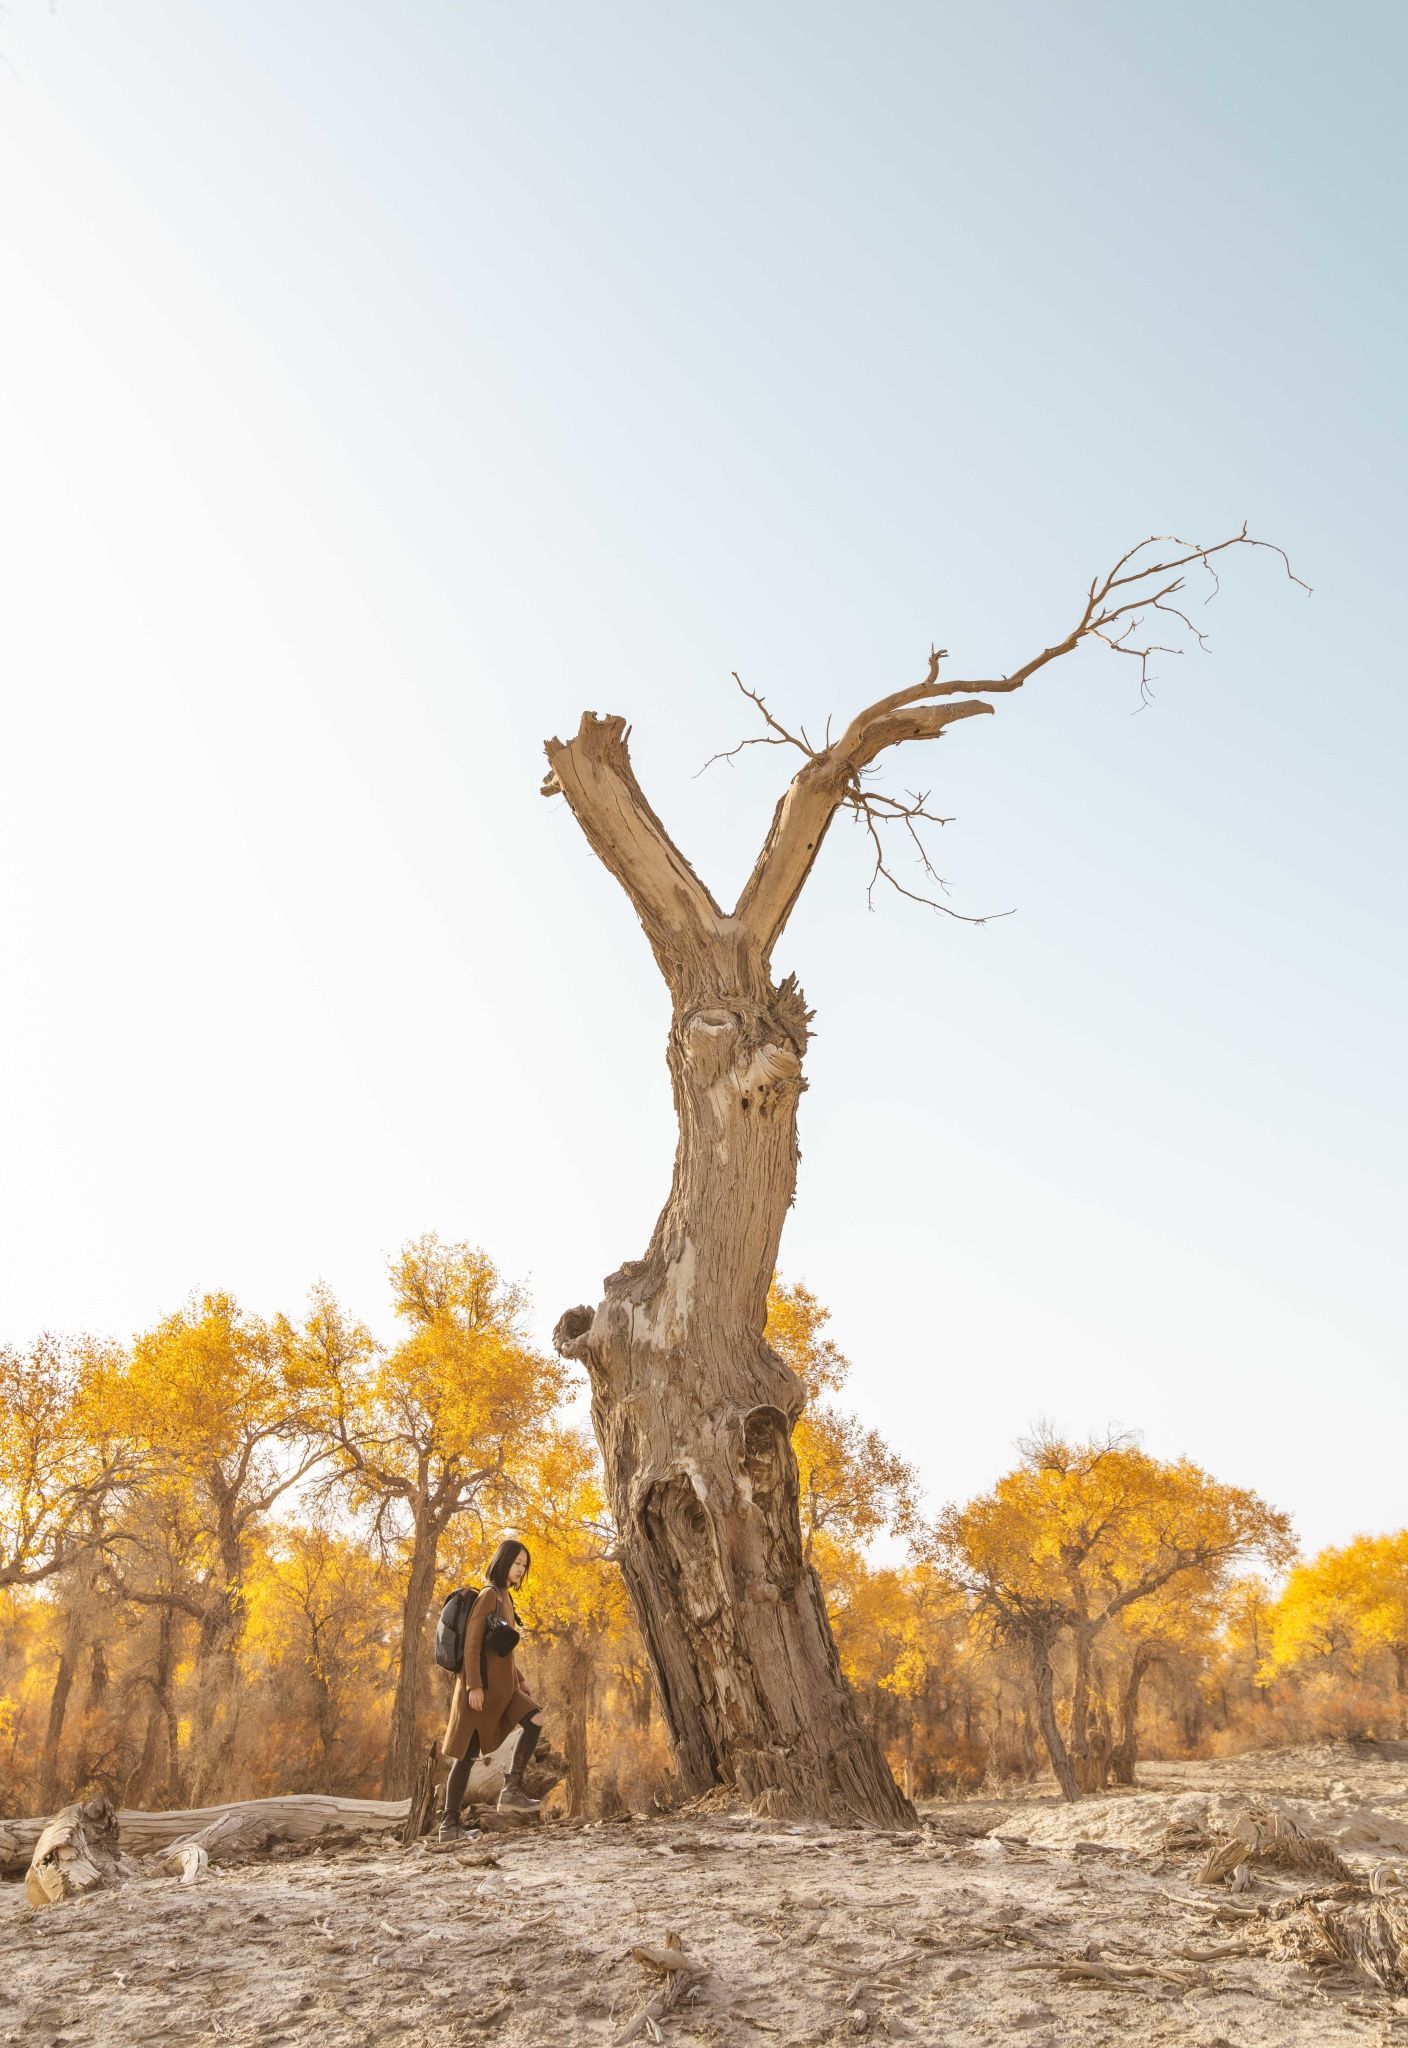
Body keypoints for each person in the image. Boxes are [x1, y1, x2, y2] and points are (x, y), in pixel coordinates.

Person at [440, 1538, 545, 1838]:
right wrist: (473, 1685)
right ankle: (449, 1825)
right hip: (479, 1693)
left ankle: (511, 1789)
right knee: (465, 1757)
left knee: (535, 1719)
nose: (520, 1570)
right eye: (516, 1564)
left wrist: (521, 1678)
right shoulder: (488, 1595)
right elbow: (473, 1643)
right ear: (503, 1562)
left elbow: (500, 1650)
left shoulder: (506, 1597)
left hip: (505, 1690)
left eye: (524, 1566)